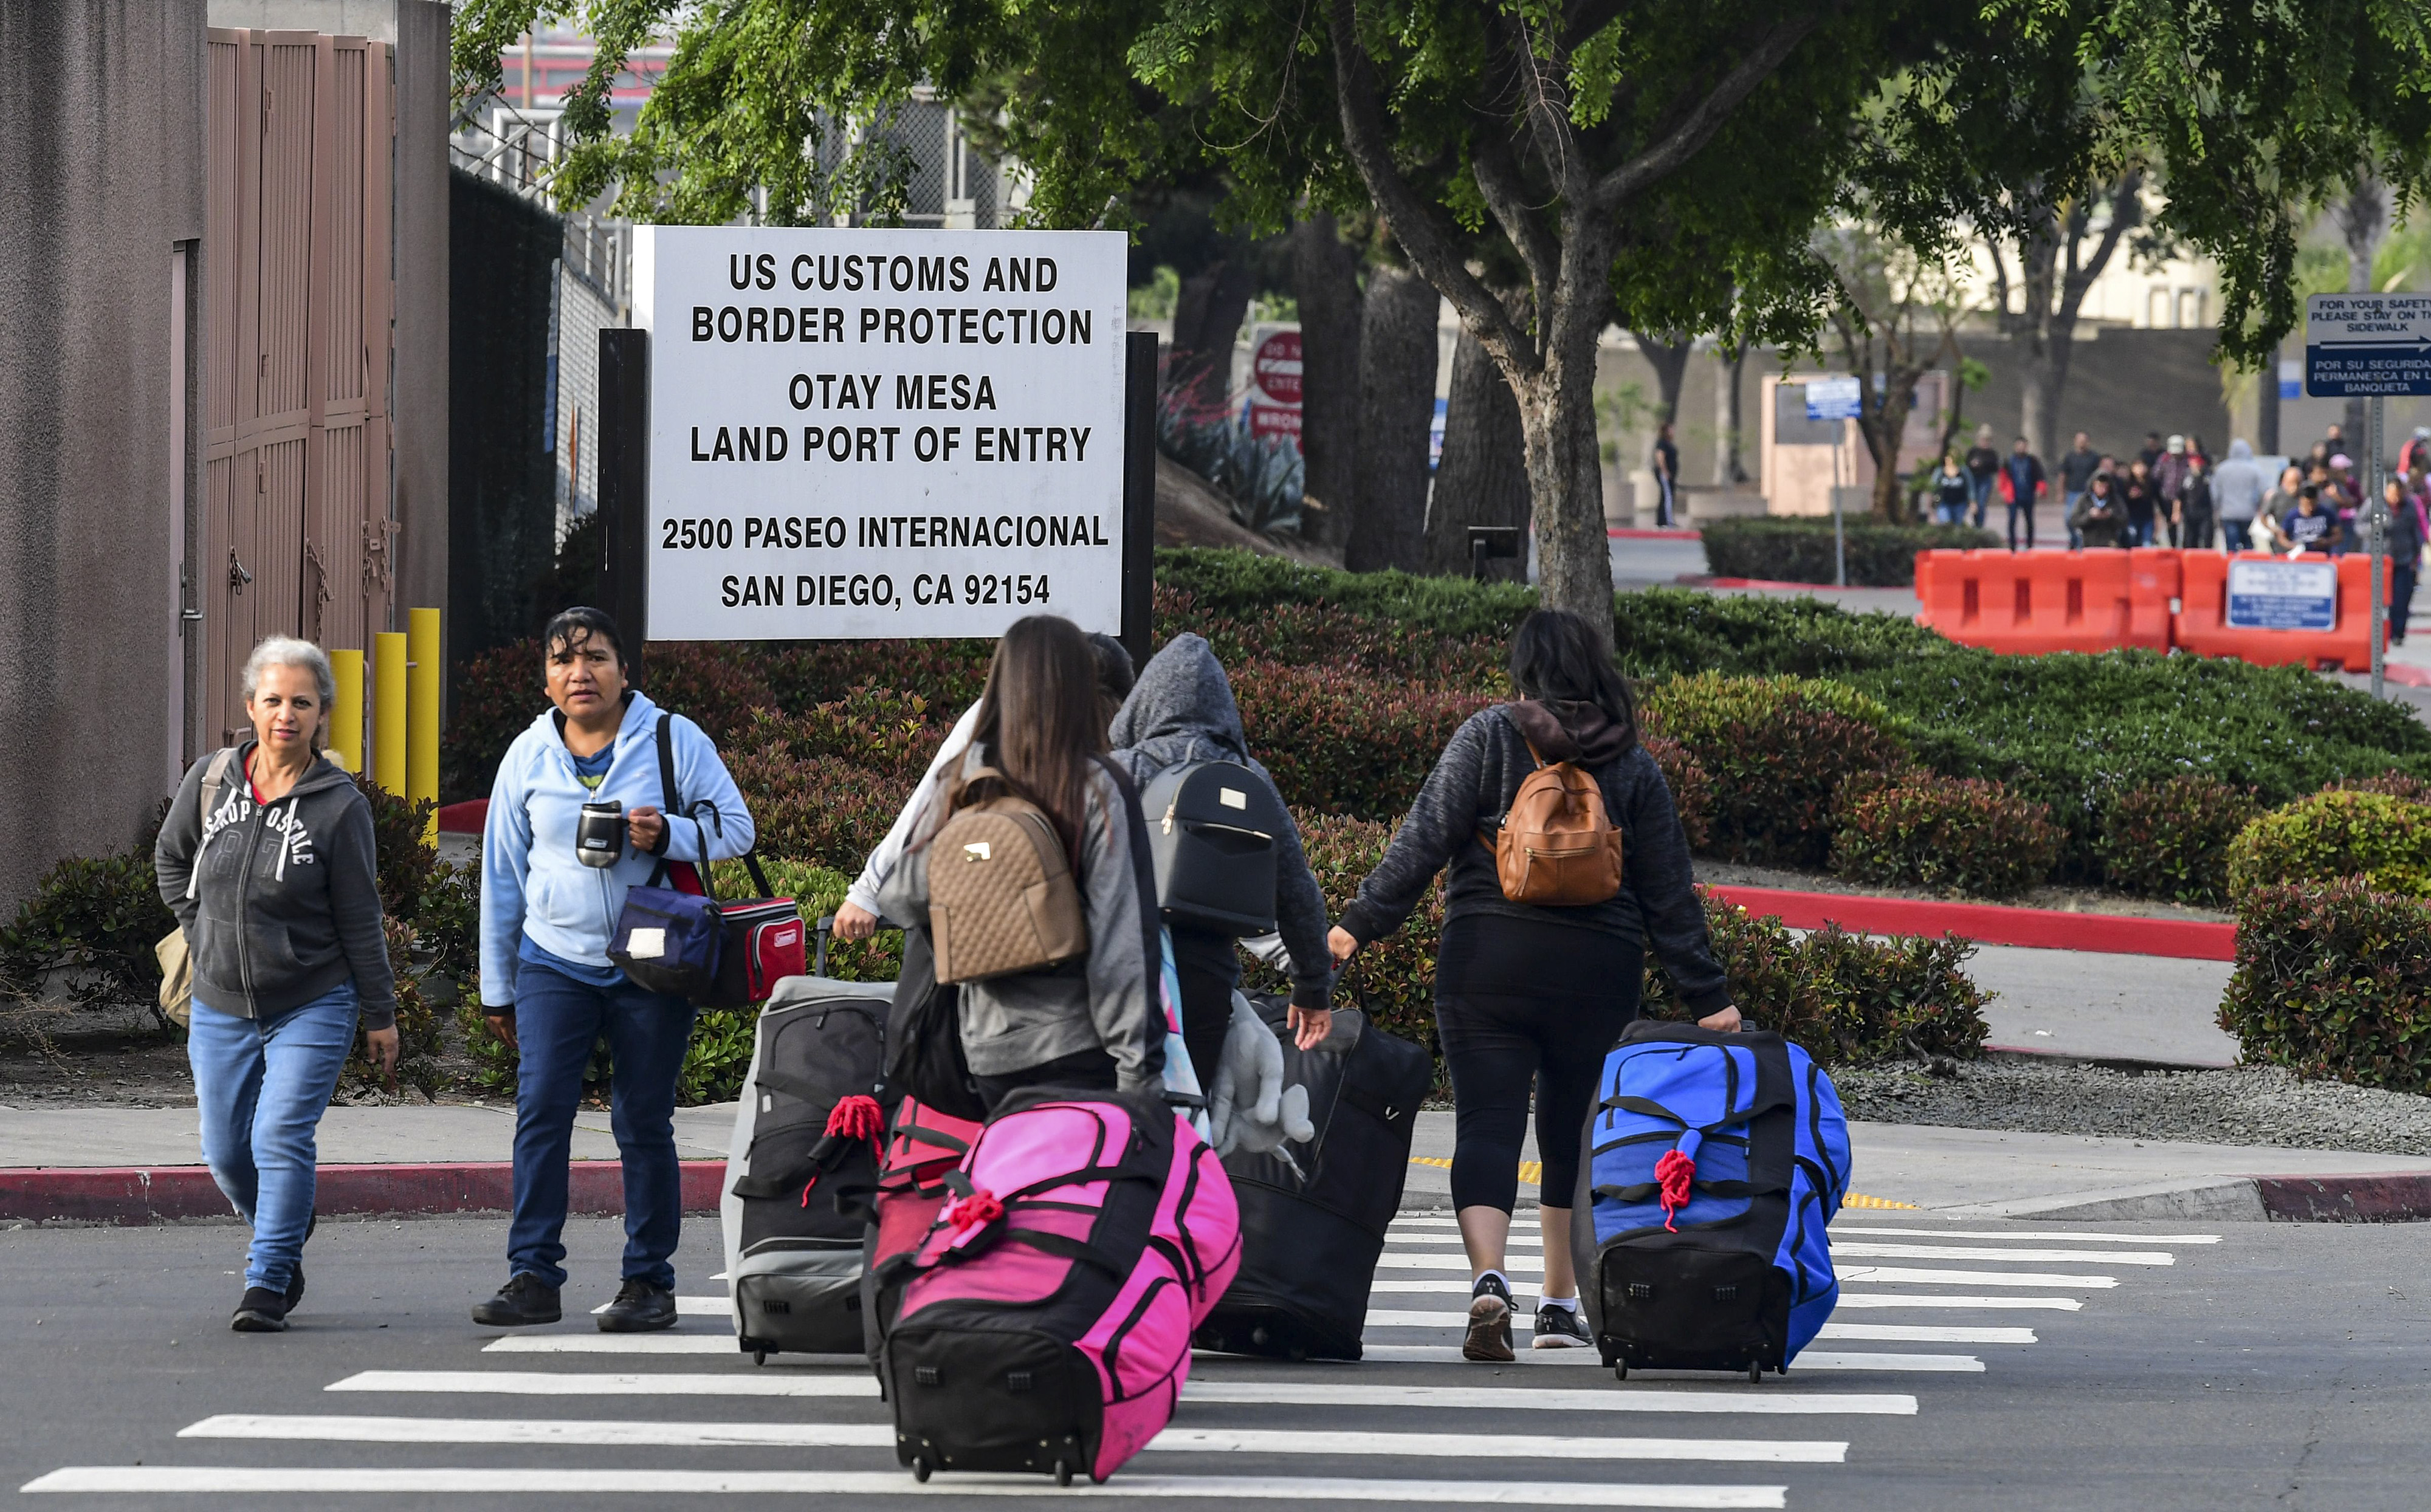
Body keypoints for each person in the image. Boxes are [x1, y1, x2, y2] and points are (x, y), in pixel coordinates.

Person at [1324, 609, 1737, 1361]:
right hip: (1598, 973)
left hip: (1487, 960)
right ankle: (1557, 1303)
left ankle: (1489, 1279)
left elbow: (1421, 841)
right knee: (1572, 1137)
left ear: (1526, 671)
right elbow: (1668, 895)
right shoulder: (1632, 764)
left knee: (1487, 1122)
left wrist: (1356, 925)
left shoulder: (1487, 735)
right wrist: (1708, 997)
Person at [474, 607, 757, 1333]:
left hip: (653, 956)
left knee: (642, 1118)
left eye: (596, 657)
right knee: (541, 1113)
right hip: (553, 958)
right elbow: (502, 876)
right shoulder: (527, 756)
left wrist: (670, 831)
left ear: (624, 670)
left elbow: (738, 828)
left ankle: (648, 1283)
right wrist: (496, 987)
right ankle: (533, 1273)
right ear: (545, 678)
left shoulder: (671, 738)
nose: (580, 673)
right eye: (564, 660)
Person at [154, 636, 399, 1333]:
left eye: (301, 701)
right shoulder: (212, 780)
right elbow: (172, 859)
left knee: (280, 1135)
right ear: (249, 707)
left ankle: (266, 1281)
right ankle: (284, 1227)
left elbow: (360, 916)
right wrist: (198, 927)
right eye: (272, 700)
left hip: (313, 999)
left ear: (323, 712)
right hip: (220, 1000)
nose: (285, 713)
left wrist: (379, 1013)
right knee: (226, 1150)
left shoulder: (338, 807)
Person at [877, 615, 1161, 1110]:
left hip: (986, 1054)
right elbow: (1123, 948)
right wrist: (1139, 1079)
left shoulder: (963, 780)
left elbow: (897, 895)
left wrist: (972, 868)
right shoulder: (1098, 786)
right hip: (1079, 1051)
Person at [1108, 633, 1333, 1076]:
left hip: (1124, 971)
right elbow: (1297, 892)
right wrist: (1312, 986)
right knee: (1192, 1112)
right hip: (1206, 978)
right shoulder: (1249, 778)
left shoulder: (1124, 767)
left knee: (1120, 1111)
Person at [834, 633, 1137, 942]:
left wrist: (868, 891)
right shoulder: (1116, 764)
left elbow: (925, 813)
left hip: (987, 936)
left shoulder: (996, 719)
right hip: (1079, 942)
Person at [2390, 478, 2427, 645]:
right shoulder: (2376, 505)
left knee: (2401, 598)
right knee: (2381, 599)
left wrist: (2416, 557)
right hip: (2382, 561)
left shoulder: (2409, 507)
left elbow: (2417, 533)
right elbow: (2360, 526)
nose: (2395, 498)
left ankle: (2398, 633)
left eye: (2398, 494)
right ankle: (2383, 632)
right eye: (2392, 493)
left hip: (2404, 559)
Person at [2212, 439, 2266, 553]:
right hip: (2248, 513)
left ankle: (2233, 567)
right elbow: (2263, 491)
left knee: (2231, 546)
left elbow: (2215, 494)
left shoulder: (2222, 469)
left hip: (2228, 513)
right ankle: (2248, 567)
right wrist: (2259, 507)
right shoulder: (2255, 469)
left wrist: (2217, 509)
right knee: (2248, 544)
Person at [1999, 435, 2046, 551]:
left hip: (2028, 494)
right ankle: (2012, 546)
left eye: (2023, 446)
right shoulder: (2009, 461)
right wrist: (2003, 490)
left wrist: (2040, 489)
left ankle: (2029, 545)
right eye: (2019, 445)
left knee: (2029, 520)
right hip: (2013, 495)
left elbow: (2040, 476)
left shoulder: (2032, 461)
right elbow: (2003, 477)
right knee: (2012, 520)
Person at [2057, 432, 2101, 548]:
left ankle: (2082, 543)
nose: (2082, 443)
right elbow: (2063, 475)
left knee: (2086, 518)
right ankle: (2074, 538)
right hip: (2073, 492)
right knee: (2069, 518)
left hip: (2088, 494)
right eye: (2079, 440)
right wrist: (2061, 492)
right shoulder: (2069, 457)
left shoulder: (2094, 457)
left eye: (2084, 440)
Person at [2272, 486, 2342, 554]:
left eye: (2313, 504)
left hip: (2321, 556)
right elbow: (2281, 537)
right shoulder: (2292, 516)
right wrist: (2293, 546)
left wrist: (2326, 542)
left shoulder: (2327, 513)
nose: (2310, 508)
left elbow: (2338, 536)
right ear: (2301, 501)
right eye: (2307, 504)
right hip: (2300, 556)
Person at [2172, 450, 2216, 551]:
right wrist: (2176, 512)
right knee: (2189, 539)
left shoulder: (2208, 477)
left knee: (2207, 538)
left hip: (2205, 511)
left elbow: (2215, 495)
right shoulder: (2186, 477)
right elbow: (2179, 496)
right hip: (2190, 511)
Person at [2070, 472, 2127, 548]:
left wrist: (2110, 515)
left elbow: (2124, 520)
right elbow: (2074, 521)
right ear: (2093, 485)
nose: (2102, 489)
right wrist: (2089, 516)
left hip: (2110, 542)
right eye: (2099, 485)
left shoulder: (2116, 500)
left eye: (2105, 486)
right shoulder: (2084, 500)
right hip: (2088, 543)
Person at [2154, 435, 2193, 544]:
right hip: (2167, 497)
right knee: (2170, 524)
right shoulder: (2164, 459)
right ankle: (2172, 545)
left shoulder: (2187, 460)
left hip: (2185, 498)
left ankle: (2185, 546)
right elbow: (2156, 475)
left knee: (2185, 525)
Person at [1962, 425, 2000, 529]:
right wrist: (1972, 464)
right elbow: (1966, 465)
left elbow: (1995, 468)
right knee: (1973, 502)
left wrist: (1983, 464)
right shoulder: (1973, 452)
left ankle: (1980, 526)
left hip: (1985, 479)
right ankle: (1974, 523)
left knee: (1981, 503)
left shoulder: (1992, 454)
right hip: (1973, 479)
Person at [2120, 458, 2161, 546]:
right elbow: (2122, 501)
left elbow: (2159, 500)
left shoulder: (2153, 483)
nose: (2140, 469)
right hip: (2132, 518)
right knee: (2132, 540)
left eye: (2142, 466)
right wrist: (2130, 497)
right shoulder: (2127, 483)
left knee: (2147, 542)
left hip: (2147, 518)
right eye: (2137, 466)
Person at [1650, 422, 1679, 528]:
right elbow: (1660, 457)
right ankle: (1665, 521)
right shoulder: (1662, 443)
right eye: (1671, 430)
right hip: (1664, 474)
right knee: (1667, 496)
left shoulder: (1669, 443)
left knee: (1668, 495)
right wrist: (1665, 471)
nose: (1673, 432)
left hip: (1670, 474)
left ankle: (1664, 520)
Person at [1931, 452, 1972, 526]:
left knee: (1957, 525)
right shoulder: (1940, 471)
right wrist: (1932, 500)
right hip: (1944, 502)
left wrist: (1972, 501)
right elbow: (1932, 487)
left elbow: (1970, 486)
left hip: (1960, 502)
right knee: (1945, 523)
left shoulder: (1963, 470)